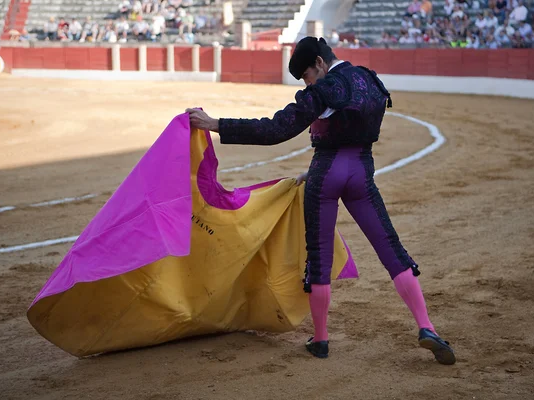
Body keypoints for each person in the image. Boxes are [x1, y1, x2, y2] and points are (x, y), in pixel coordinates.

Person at [186, 37, 456, 365]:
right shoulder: (370, 79)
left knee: (319, 258)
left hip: (325, 175)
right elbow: (353, 129)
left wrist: (216, 124)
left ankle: (322, 339)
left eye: (306, 77)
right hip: (361, 173)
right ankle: (426, 326)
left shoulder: (326, 88)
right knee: (391, 249)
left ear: (319, 63)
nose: (308, 83)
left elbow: (276, 129)